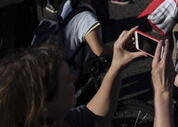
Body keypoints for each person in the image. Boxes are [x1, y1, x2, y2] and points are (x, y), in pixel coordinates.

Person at [0, 27, 147, 127]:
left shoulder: (57, 118)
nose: (74, 79)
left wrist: (116, 67)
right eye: (66, 81)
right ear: (43, 107)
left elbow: (94, 117)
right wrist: (162, 94)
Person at [60, 0, 111, 79]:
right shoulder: (88, 19)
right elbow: (99, 50)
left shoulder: (68, 4)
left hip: (65, 65)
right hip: (77, 75)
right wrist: (118, 49)